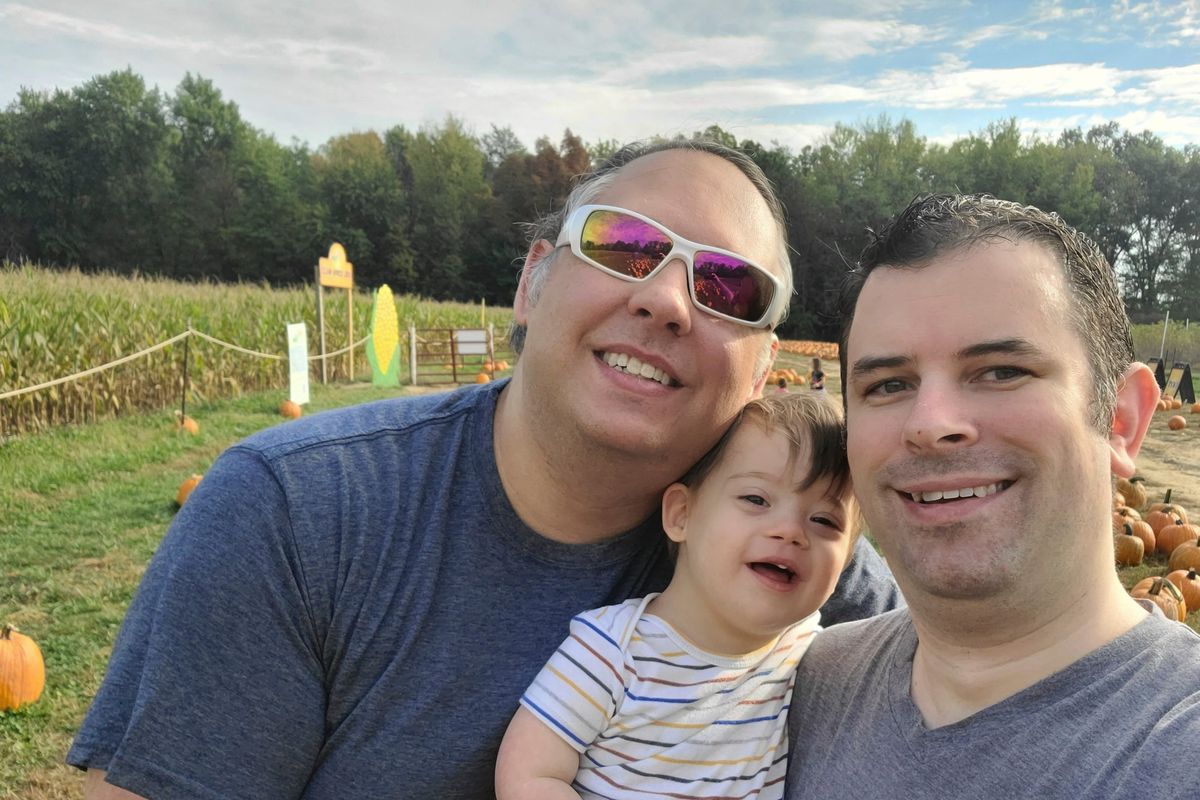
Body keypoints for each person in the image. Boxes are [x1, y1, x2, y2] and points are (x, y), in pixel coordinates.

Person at [70, 139, 900, 799]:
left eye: (729, 285)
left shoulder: (792, 544)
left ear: (762, 372)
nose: (668, 300)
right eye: (625, 245)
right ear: (533, 285)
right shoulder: (293, 513)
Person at [785, 194, 1200, 799]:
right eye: (888, 384)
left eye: (1002, 370)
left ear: (1121, 417)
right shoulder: (806, 687)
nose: (929, 423)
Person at [496, 392, 858, 799]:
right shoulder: (614, 649)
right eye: (756, 499)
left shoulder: (811, 653)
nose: (790, 531)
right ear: (681, 515)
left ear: (848, 559)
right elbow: (528, 774)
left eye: (825, 520)